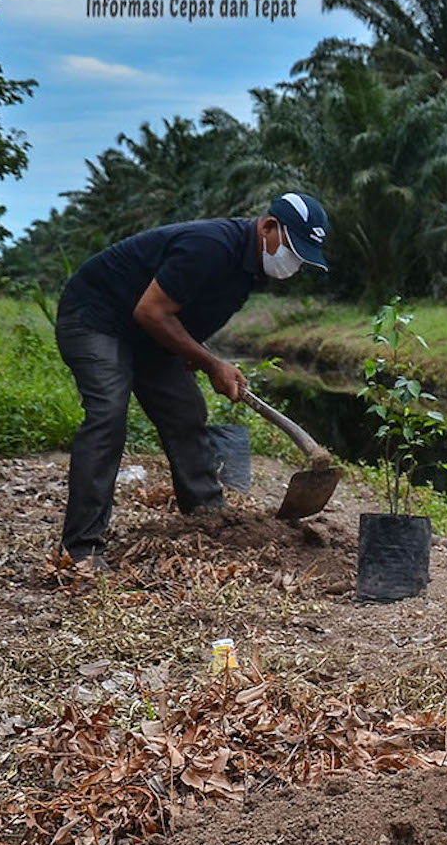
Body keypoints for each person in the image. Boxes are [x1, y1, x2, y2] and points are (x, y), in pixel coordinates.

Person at [53, 193, 330, 567]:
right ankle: (81, 548)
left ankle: (208, 517)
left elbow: (177, 317)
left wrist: (198, 355)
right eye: (293, 251)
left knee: (185, 411)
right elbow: (151, 311)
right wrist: (212, 365)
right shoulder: (210, 246)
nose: (294, 265)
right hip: (95, 318)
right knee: (108, 414)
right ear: (268, 227)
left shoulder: (248, 272)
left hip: (146, 333)